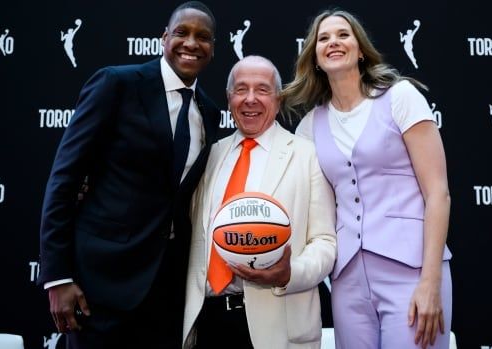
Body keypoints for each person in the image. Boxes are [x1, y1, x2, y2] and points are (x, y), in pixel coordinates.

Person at [38, 2, 220, 348]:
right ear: (164, 38)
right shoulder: (117, 84)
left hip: (167, 291)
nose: (192, 43)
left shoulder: (208, 112)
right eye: (182, 32)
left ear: (212, 49)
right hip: (99, 288)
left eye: (203, 37)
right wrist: (57, 277)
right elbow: (64, 180)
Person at [282, 9, 453, 349]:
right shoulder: (308, 127)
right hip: (347, 282)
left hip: (412, 270)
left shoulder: (400, 97)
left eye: (343, 35)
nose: (333, 42)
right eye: (324, 38)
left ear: (360, 50)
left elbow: (438, 193)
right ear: (315, 56)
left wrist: (430, 281)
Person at [183, 55, 337, 349]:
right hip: (208, 324)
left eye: (262, 90)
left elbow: (325, 241)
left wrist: (289, 273)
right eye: (241, 90)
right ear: (229, 99)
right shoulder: (211, 155)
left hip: (277, 327)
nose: (250, 99)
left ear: (278, 99)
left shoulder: (307, 156)